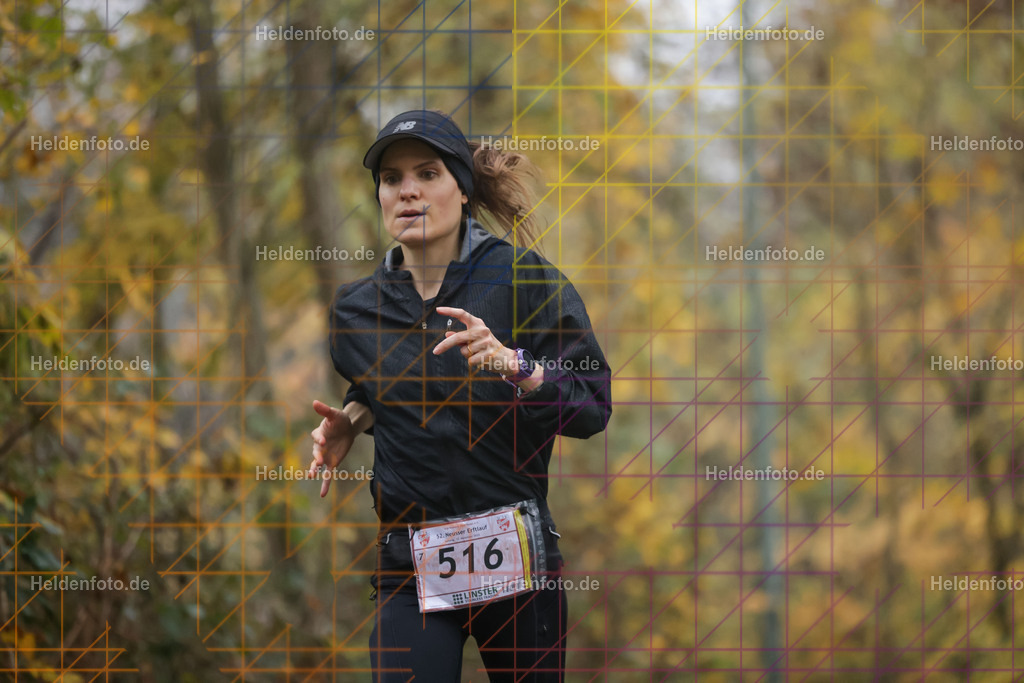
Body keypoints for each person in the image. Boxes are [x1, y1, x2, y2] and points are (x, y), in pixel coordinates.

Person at [309, 110, 611, 682]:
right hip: (410, 563)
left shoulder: (526, 283)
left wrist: (515, 365)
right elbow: (392, 382)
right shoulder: (355, 312)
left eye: (427, 173)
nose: (407, 190)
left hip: (516, 559)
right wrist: (353, 417)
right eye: (392, 178)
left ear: (463, 191)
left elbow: (592, 406)